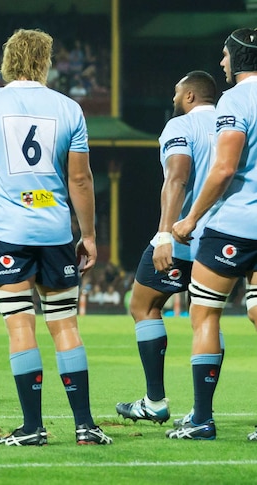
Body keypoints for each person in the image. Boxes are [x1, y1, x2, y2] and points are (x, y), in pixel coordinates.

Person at [0, 29, 111, 446]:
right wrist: (90, 235)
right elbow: (80, 178)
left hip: (8, 231)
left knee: (20, 326)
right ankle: (85, 425)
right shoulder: (68, 108)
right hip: (55, 230)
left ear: (8, 60)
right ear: (45, 62)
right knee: (65, 326)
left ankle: (32, 428)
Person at [115, 72, 220, 428]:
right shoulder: (234, 124)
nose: (173, 98)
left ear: (189, 96)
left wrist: (164, 235)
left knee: (143, 306)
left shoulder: (180, 127)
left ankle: (155, 401)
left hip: (184, 237)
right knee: (209, 315)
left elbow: (177, 177)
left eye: (177, 92)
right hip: (227, 237)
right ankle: (202, 411)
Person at [170, 28, 257, 441]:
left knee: (205, 312)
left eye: (225, 56)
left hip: (235, 224)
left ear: (239, 59)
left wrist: (190, 219)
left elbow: (224, 169)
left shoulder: (235, 99)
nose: (221, 63)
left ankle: (202, 419)